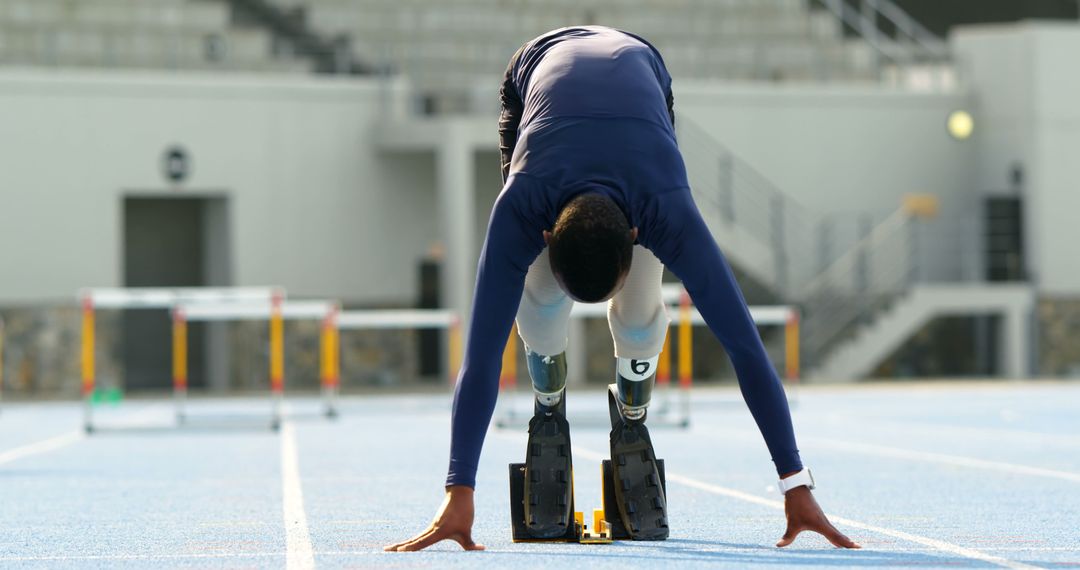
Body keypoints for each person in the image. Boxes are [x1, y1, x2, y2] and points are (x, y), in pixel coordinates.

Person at [385, 26, 859, 551]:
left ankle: (632, 411)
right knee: (538, 299)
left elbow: (744, 345)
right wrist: (458, 488)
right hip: (531, 78)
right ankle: (549, 403)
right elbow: (481, 358)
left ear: (637, 236)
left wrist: (795, 481)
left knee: (639, 316)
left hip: (644, 75)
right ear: (543, 236)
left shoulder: (666, 207)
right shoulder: (522, 204)